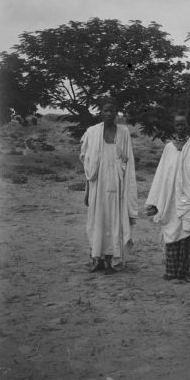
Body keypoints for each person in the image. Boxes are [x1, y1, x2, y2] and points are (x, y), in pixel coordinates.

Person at [145, 112, 190, 283]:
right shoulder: (168, 148)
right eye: (177, 125)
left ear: (187, 125)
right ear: (174, 127)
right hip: (171, 198)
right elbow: (162, 175)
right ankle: (173, 271)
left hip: (189, 197)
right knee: (172, 229)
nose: (180, 127)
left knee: (188, 231)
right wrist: (156, 201)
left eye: (183, 124)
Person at [80, 98, 138, 274]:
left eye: (112, 110)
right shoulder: (92, 132)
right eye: (105, 110)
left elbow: (128, 161)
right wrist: (88, 190)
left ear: (116, 113)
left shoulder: (124, 132)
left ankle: (112, 261)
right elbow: (87, 161)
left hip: (116, 185)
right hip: (97, 185)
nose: (109, 113)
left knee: (114, 221)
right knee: (98, 222)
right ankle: (97, 259)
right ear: (101, 112)